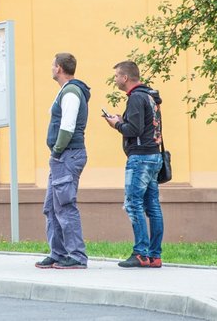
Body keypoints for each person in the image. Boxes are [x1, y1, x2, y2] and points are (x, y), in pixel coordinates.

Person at [102, 60, 165, 268]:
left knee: (133, 204)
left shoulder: (136, 98)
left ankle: (140, 253)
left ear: (125, 78)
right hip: (154, 155)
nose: (116, 80)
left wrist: (116, 124)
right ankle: (154, 255)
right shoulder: (150, 96)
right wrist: (123, 120)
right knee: (153, 207)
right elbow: (145, 126)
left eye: (117, 76)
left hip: (140, 158)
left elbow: (134, 130)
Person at [35, 52, 90, 270]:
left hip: (67, 155)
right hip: (62, 157)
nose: (51, 68)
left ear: (59, 68)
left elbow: (67, 127)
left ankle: (76, 256)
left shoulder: (71, 93)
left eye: (52, 65)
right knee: (51, 207)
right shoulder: (66, 91)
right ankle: (57, 253)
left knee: (65, 206)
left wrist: (57, 151)